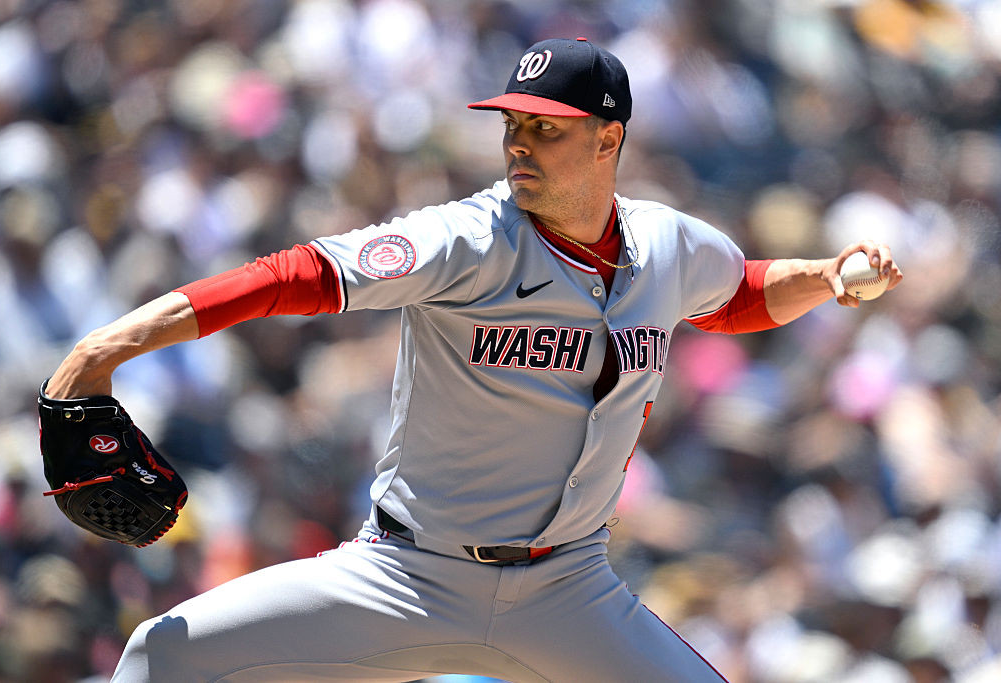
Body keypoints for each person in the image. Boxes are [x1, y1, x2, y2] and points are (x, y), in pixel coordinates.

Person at [45, 37, 902, 682]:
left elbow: (741, 293)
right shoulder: (467, 238)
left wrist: (827, 278)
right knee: (159, 659)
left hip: (572, 590)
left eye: (548, 128)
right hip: (407, 571)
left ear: (609, 140)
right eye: (514, 123)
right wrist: (109, 343)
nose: (520, 142)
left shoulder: (669, 245)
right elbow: (294, 278)